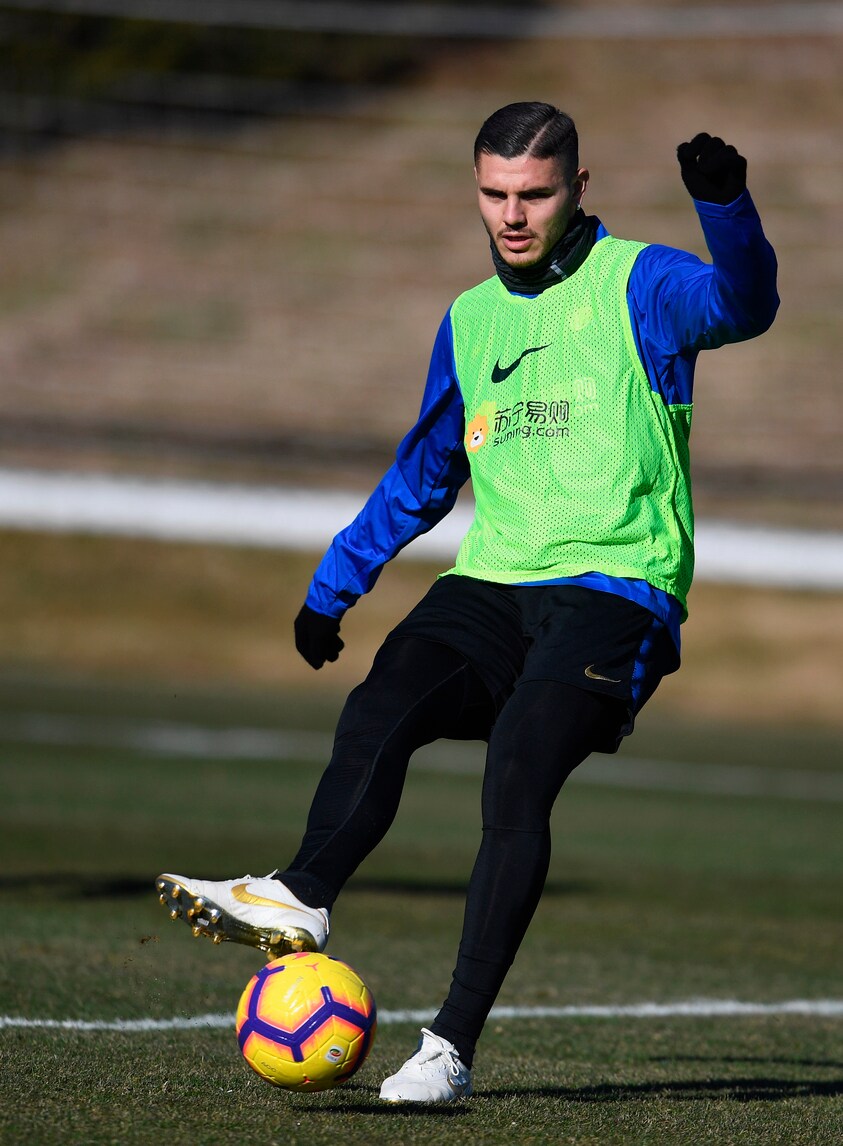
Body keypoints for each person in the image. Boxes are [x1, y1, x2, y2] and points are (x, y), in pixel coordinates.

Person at [156, 102, 778, 1103]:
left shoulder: (644, 284)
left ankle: (447, 1047)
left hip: (616, 589)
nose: (512, 215)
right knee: (381, 700)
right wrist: (332, 586)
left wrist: (725, 204)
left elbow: (745, 304)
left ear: (578, 188)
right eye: (494, 194)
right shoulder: (471, 317)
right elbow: (425, 472)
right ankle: (303, 894)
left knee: (518, 767)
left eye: (533, 194)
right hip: (492, 582)